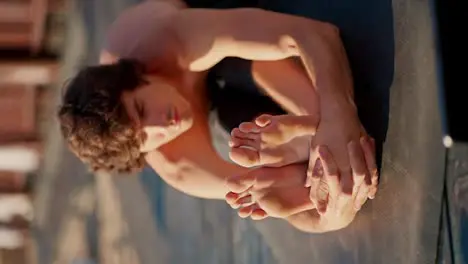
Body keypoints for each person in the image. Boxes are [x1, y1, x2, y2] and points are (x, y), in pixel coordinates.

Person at [58, 0, 378, 232]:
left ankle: (313, 126)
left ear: (140, 77)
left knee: (256, 63)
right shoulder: (182, 167)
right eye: (145, 137)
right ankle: (304, 139)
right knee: (257, 162)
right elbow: (292, 208)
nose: (161, 125)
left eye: (142, 109)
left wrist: (339, 113)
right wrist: (332, 215)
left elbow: (315, 35)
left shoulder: (167, 41)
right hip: (220, 106)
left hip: (212, 25)